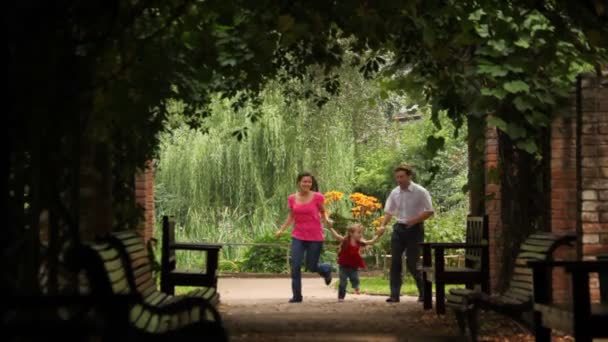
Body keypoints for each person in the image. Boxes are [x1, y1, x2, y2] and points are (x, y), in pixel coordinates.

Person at [378, 164, 434, 303]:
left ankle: (423, 293)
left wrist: (415, 220)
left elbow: (429, 211)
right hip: (399, 229)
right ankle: (394, 295)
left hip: (415, 229)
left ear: (409, 176)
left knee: (412, 262)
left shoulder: (420, 191)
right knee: (395, 262)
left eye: (402, 177)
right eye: (397, 177)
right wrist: (383, 225)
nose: (399, 180)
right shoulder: (395, 192)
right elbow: (389, 211)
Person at [275, 172, 333, 303]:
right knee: (295, 265)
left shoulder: (318, 197)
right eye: (304, 181)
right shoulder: (292, 198)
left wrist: (328, 220)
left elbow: (323, 212)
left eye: (309, 182)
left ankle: (325, 269)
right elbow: (291, 216)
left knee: (311, 266)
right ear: (299, 182)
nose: (307, 184)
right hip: (298, 236)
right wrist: (281, 230)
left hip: (315, 236)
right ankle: (297, 296)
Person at [328, 223, 382, 302]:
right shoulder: (345, 240)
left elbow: (371, 242)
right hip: (343, 266)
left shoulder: (360, 242)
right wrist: (330, 228)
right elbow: (337, 236)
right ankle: (341, 297)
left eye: (361, 232)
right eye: (359, 232)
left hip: (354, 266)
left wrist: (379, 235)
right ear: (351, 233)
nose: (361, 234)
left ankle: (356, 286)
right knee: (343, 282)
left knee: (355, 278)